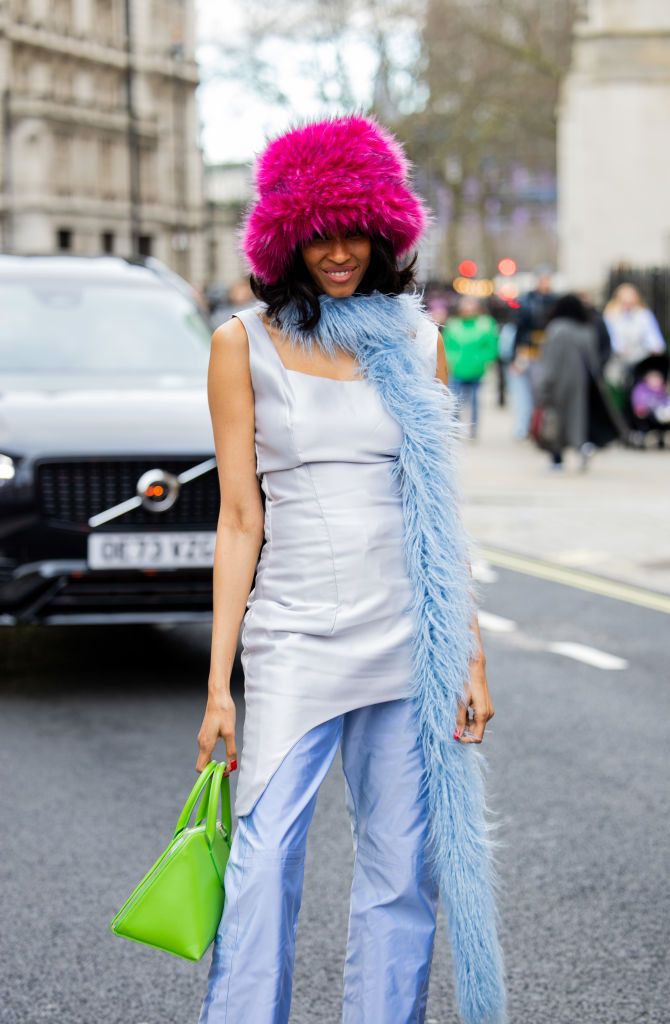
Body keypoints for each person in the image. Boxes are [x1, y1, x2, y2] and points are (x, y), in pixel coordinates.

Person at [195, 115, 507, 1024]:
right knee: (258, 868)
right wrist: (220, 684)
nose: (339, 252)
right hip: (294, 636)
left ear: (386, 228)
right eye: (319, 232)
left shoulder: (417, 344)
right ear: (285, 237)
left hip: (410, 641)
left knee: (400, 872)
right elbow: (239, 519)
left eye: (355, 229)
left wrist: (471, 651)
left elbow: (436, 514)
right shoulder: (238, 344)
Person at [535, 294, 617, 470]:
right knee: (578, 420)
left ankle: (557, 459)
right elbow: (594, 359)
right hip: (582, 382)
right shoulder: (586, 329)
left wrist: (543, 388)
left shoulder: (556, 328)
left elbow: (550, 361)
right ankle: (582, 448)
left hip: (559, 383)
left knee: (556, 421)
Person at [508, 271, 557, 439]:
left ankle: (539, 426)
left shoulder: (554, 302)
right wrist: (516, 356)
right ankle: (525, 426)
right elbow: (519, 331)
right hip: (528, 353)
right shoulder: (527, 301)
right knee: (524, 394)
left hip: (546, 353)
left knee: (541, 394)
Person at [442, 296, 499, 438]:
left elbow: (491, 347)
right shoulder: (453, 324)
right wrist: (450, 361)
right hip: (456, 369)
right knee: (455, 401)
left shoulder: (486, 324)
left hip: (476, 370)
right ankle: (455, 427)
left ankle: (473, 428)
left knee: (475, 401)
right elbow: (446, 345)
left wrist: (481, 360)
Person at [603, 283, 666, 386]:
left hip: (640, 360)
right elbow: (612, 337)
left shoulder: (644, 315)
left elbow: (653, 337)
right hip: (618, 361)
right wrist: (619, 349)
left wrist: (655, 348)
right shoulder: (611, 315)